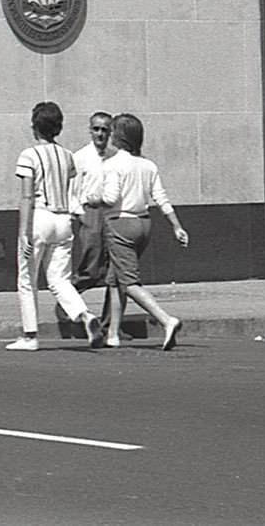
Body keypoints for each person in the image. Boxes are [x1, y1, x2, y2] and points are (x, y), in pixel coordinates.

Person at [81, 112, 190, 351]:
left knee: (129, 282)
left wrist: (92, 199)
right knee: (115, 278)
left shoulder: (113, 164)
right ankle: (112, 334)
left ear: (117, 137)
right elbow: (161, 197)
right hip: (144, 223)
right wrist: (176, 225)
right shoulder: (148, 165)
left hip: (120, 224)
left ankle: (166, 320)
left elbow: (110, 198)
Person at [5, 101, 96, 351]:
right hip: (63, 220)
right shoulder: (67, 156)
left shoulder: (29, 155)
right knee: (59, 279)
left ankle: (30, 335)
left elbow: (26, 196)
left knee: (27, 279)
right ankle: (85, 315)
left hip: (40, 217)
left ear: (35, 126)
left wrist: (24, 232)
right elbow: (70, 184)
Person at [69, 110, 117, 296]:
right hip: (90, 212)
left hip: (112, 212)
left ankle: (109, 320)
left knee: (113, 267)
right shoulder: (80, 157)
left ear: (110, 132)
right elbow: (73, 188)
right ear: (90, 130)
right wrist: (77, 213)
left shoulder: (115, 155)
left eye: (104, 130)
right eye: (96, 129)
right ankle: (71, 296)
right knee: (91, 260)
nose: (100, 134)